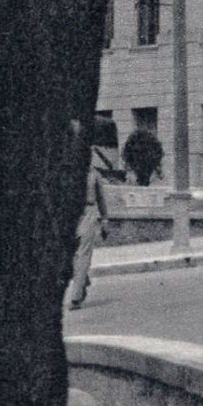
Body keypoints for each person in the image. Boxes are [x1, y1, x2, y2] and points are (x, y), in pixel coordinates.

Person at [69, 124, 112, 309]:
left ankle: (76, 297)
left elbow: (101, 199)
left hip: (88, 214)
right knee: (67, 257)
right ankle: (82, 279)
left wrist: (105, 221)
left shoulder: (94, 174)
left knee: (82, 255)